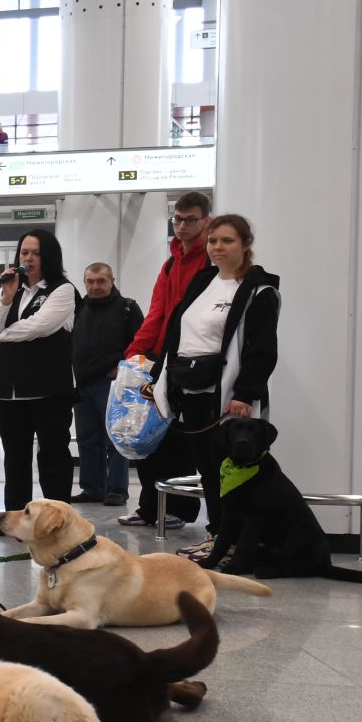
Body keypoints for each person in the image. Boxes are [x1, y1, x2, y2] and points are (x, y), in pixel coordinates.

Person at [153, 216, 280, 562]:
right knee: (208, 470)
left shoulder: (259, 291)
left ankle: (238, 542)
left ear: (245, 244)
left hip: (228, 399)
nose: (218, 248)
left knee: (232, 474)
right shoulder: (204, 281)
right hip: (192, 393)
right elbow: (180, 333)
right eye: (213, 242)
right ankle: (217, 536)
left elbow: (262, 349)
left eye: (227, 241)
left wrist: (244, 393)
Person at [120, 192, 213, 531]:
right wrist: (135, 353)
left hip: (189, 361)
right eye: (177, 219)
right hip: (160, 360)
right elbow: (158, 310)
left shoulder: (209, 263)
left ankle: (178, 510)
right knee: (150, 438)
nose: (182, 226)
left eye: (190, 219)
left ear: (206, 221)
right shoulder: (171, 262)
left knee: (179, 441)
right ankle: (150, 507)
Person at [0, 228, 77, 535]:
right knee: (15, 458)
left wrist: (3, 337)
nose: (29, 258)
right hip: (9, 390)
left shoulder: (63, 289)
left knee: (53, 456)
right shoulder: (12, 288)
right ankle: (11, 521)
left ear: (48, 256)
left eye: (35, 253)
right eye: (24, 253)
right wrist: (6, 298)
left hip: (48, 389)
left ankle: (58, 521)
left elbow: (40, 326)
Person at [72, 263, 145, 507]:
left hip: (113, 384)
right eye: (90, 281)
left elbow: (141, 344)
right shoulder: (79, 308)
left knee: (115, 438)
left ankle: (116, 490)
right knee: (87, 439)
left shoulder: (127, 308)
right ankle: (92, 488)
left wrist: (121, 369)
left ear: (112, 281)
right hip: (83, 385)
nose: (95, 286)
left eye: (101, 281)